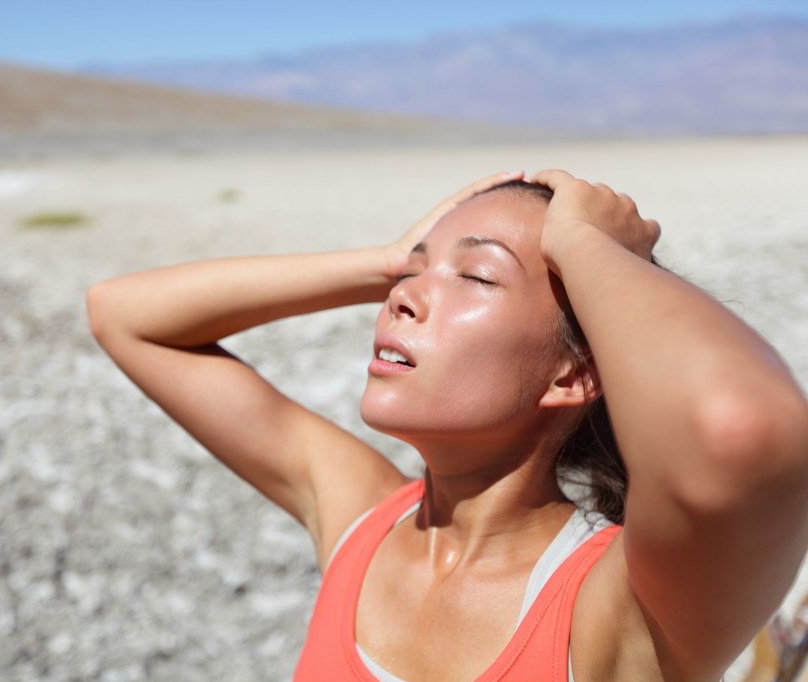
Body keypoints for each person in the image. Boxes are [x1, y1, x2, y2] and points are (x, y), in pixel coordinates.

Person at [86, 170, 808, 680]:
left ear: (573, 375)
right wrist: (385, 259)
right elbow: (123, 315)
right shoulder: (363, 525)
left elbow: (740, 429)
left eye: (478, 278)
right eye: (411, 273)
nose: (403, 298)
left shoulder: (616, 608)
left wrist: (590, 243)